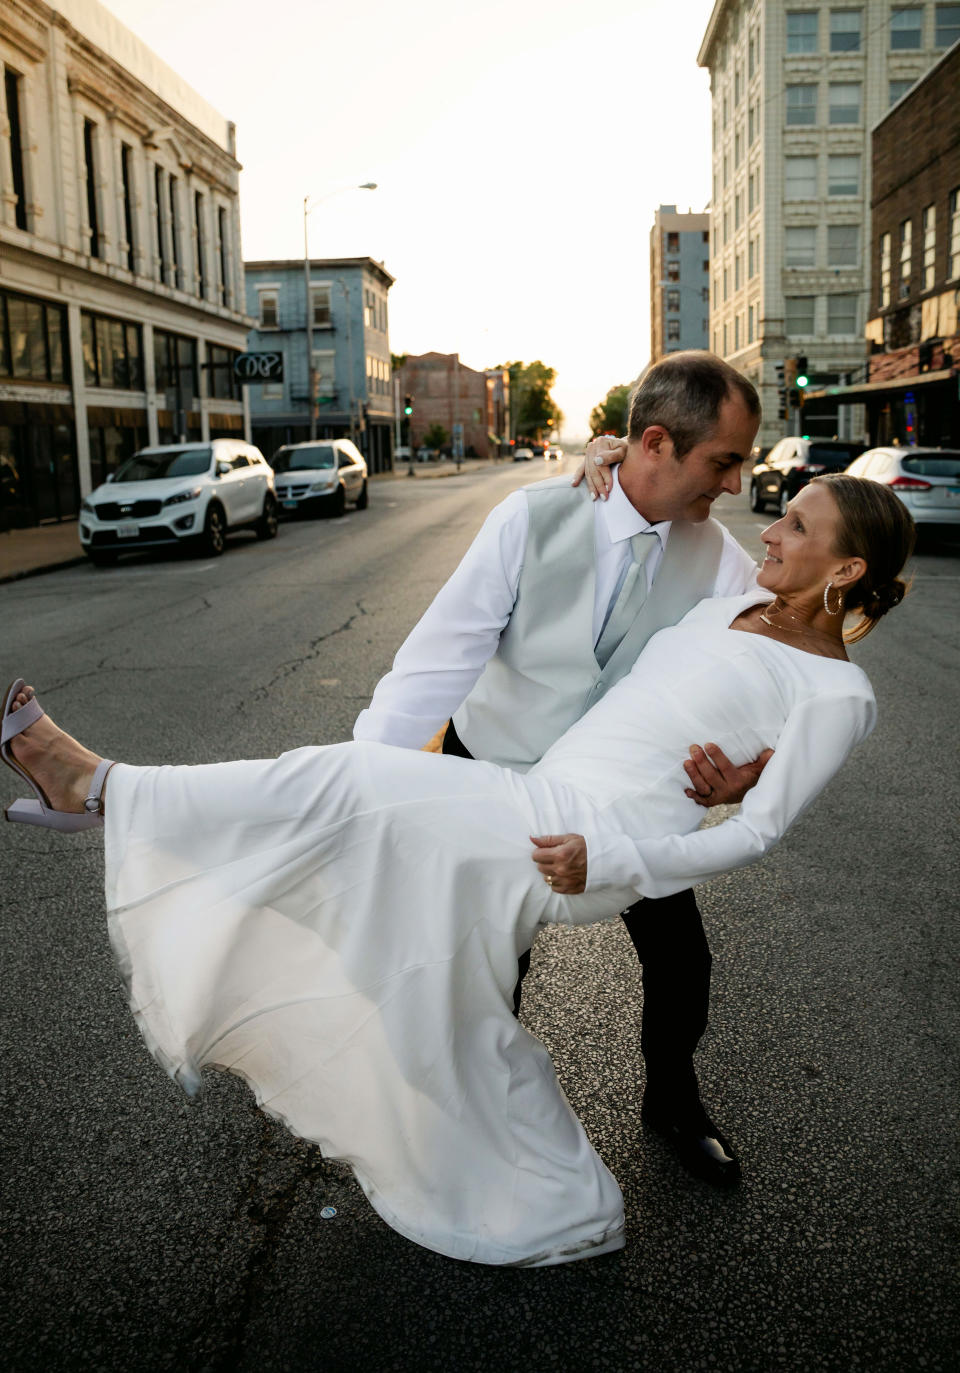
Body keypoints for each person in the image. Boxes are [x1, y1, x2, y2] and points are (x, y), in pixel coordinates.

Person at [2, 475, 914, 1269]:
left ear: (843, 570)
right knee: (419, 932)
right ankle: (536, 1175)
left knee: (347, 781)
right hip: (537, 787)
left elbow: (758, 833)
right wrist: (593, 467)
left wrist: (629, 852)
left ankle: (98, 784)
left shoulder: (839, 692)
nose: (770, 529)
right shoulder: (725, 600)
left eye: (796, 525)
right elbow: (636, 556)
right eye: (780, 516)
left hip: (595, 843)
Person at [353, 351, 769, 1185]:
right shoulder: (531, 519)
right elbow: (436, 665)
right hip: (496, 772)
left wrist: (751, 768)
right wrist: (365, 786)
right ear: (653, 442)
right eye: (723, 461)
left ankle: (672, 1098)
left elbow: (762, 673)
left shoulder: (720, 558)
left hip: (623, 801)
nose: (733, 485)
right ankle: (480, 1113)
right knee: (491, 961)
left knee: (682, 960)